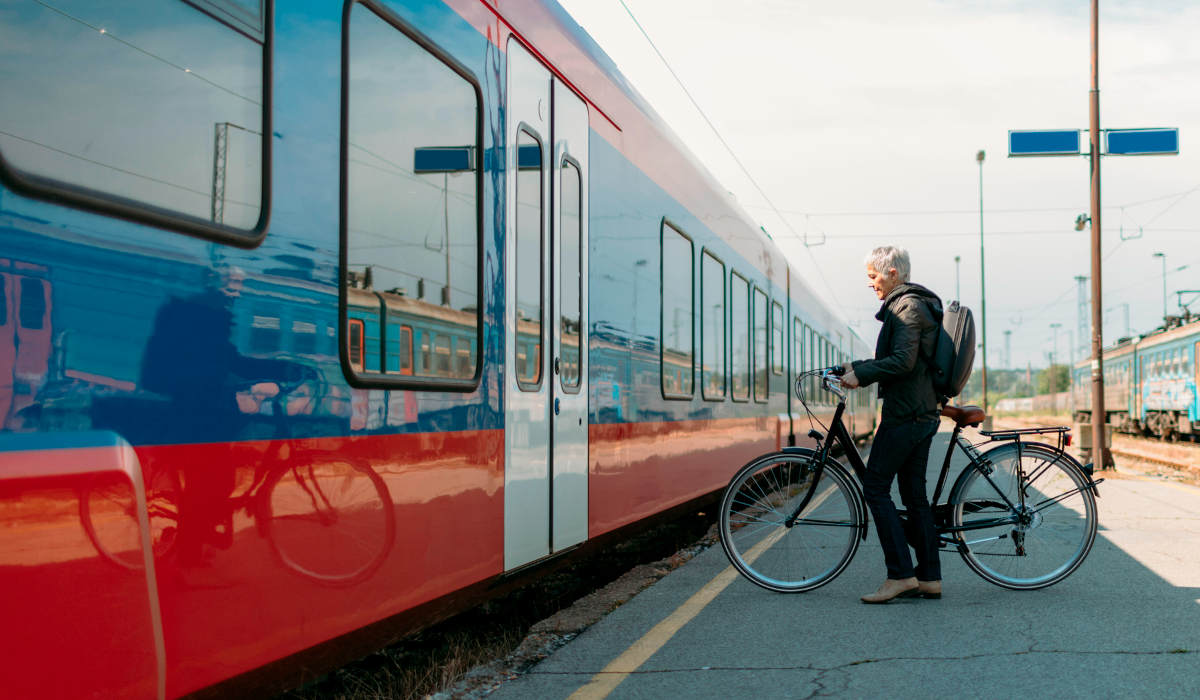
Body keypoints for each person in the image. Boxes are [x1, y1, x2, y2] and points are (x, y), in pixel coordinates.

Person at [840, 246, 943, 604]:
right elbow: (897, 358)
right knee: (915, 497)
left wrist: (862, 376)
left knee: (875, 488)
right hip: (919, 412)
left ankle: (900, 574)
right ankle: (929, 578)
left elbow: (901, 361)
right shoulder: (909, 306)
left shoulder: (908, 307)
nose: (870, 284)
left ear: (893, 273)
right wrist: (850, 368)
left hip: (905, 415)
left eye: (873, 276)